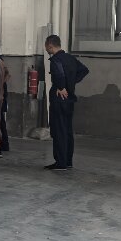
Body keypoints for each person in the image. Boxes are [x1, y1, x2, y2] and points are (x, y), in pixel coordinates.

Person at [43, 35, 89, 171]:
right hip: (70, 100)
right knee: (67, 130)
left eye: (46, 46)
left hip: (59, 100)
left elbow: (59, 74)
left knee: (59, 131)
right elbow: (84, 70)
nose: (46, 49)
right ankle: (68, 161)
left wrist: (62, 86)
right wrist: (71, 83)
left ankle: (60, 162)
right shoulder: (70, 58)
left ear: (50, 45)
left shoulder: (55, 60)